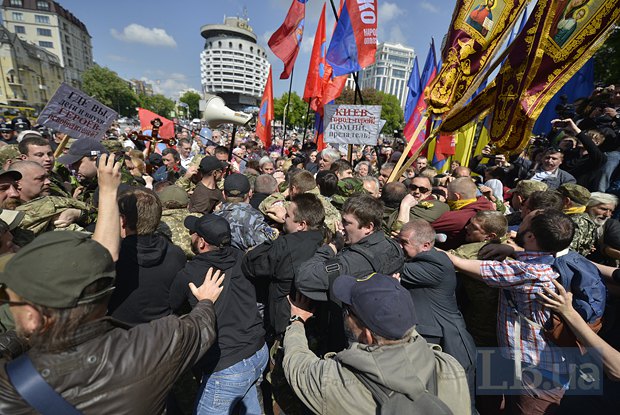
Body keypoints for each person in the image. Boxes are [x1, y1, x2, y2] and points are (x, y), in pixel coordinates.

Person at [0, 154, 224, 414]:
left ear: (31, 316)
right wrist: (206, 301)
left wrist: (17, 338)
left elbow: (106, 255)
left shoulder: (14, 386)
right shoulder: (155, 343)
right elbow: (199, 329)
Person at [445, 209, 576, 414]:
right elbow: (528, 258)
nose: (514, 230)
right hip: (532, 362)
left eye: (524, 223)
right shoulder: (546, 263)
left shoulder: (528, 273)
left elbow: (458, 262)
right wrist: (511, 250)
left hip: (537, 373)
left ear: (531, 236)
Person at [283, 273, 470, 415]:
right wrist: (393, 304)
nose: (346, 315)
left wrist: (298, 320)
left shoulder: (332, 381)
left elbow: (296, 363)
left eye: (349, 312)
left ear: (367, 336)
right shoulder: (449, 366)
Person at [169, 214, 267, 415]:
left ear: (202, 243)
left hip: (227, 366)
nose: (192, 236)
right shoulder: (240, 257)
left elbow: (170, 306)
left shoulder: (190, 273)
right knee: (249, 404)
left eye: (194, 234)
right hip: (258, 350)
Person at [296, 194, 404, 351]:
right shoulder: (392, 247)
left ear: (368, 227)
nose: (341, 226)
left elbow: (305, 277)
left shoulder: (353, 262)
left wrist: (331, 247)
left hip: (347, 343)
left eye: (347, 222)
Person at [397, 220, 477, 407]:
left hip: (450, 344)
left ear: (426, 245)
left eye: (403, 243)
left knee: (459, 404)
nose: (399, 247)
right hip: (438, 343)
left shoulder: (435, 263)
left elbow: (395, 269)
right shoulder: (424, 257)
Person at [107, 187, 186, 325]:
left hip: (118, 335)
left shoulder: (111, 257)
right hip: (162, 333)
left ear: (123, 220)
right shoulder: (176, 254)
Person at [214, 173, 277, 251]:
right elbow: (268, 245)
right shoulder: (254, 218)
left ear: (223, 194)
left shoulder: (214, 218)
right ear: (250, 193)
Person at [431, 177, 495, 249]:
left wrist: (433, 200)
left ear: (457, 196)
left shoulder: (460, 217)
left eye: (448, 195)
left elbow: (426, 224)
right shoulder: (486, 204)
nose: (446, 198)